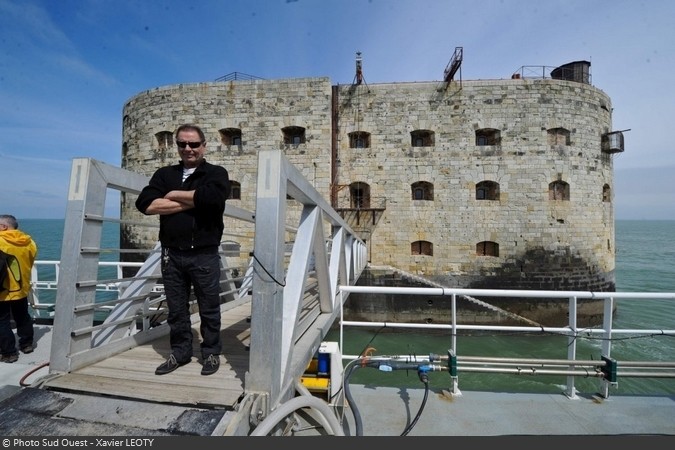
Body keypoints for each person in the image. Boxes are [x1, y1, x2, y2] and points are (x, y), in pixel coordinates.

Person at [135, 124, 230, 376]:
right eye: (182, 144)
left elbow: (214, 200)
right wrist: (194, 201)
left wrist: (175, 194)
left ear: (204, 145)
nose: (188, 149)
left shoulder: (216, 172)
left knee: (209, 307)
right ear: (177, 146)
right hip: (172, 253)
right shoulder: (164, 174)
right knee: (176, 309)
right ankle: (180, 353)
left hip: (204, 252)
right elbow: (145, 204)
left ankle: (210, 353)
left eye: (194, 144)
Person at [0, 214, 38, 364]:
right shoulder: (29, 242)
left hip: (3, 290)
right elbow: (31, 259)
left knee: (2, 321)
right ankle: (27, 344)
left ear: (4, 227)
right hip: (22, 288)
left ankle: (9, 353)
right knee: (22, 316)